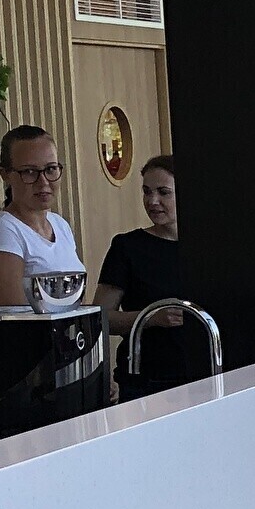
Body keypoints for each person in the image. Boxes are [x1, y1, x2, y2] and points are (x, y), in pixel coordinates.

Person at [96, 155, 200, 398]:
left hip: (206, 372)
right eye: (146, 192)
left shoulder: (210, 246)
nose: (153, 201)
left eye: (163, 192)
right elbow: (100, 319)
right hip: (146, 380)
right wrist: (150, 317)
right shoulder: (127, 247)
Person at [0, 124, 85, 308]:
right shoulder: (2, 230)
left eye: (51, 169)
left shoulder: (60, 225)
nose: (43, 182)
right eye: (29, 172)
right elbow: (14, 313)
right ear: (5, 175)